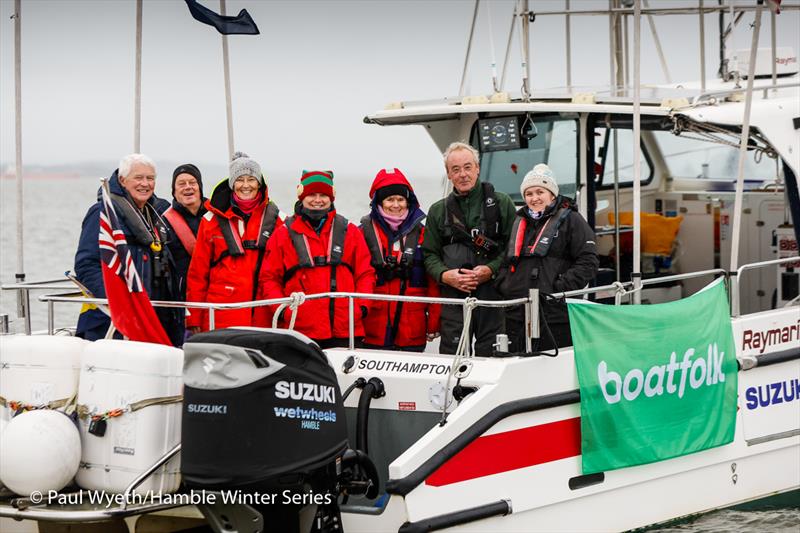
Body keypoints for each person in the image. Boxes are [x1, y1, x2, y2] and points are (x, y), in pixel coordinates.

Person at [74, 153, 183, 345]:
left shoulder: (155, 215)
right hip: (112, 322)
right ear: (123, 181)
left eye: (150, 178)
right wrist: (118, 303)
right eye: (138, 178)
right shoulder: (102, 213)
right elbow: (86, 265)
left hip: (152, 318)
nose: (145, 183)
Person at [258, 170, 374, 348]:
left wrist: (361, 308)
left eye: (323, 195)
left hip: (346, 329)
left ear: (331, 197)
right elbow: (269, 278)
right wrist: (283, 312)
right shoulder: (282, 235)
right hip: (298, 330)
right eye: (312, 194)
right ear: (301, 196)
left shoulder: (350, 232)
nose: (318, 200)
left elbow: (365, 274)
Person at [422, 142, 517, 356]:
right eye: (455, 169)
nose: (463, 174)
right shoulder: (438, 211)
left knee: (492, 358)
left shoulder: (502, 203)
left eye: (467, 167)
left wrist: (490, 270)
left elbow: (513, 248)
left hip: (493, 296)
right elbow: (429, 254)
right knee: (452, 358)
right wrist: (445, 275)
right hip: (454, 298)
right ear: (448, 174)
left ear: (477, 168)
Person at [496, 163, 599, 352]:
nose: (534, 198)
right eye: (529, 193)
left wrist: (558, 288)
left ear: (552, 194)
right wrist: (505, 284)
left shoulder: (572, 220)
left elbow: (588, 262)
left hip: (554, 314)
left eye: (539, 192)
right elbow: (506, 260)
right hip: (516, 312)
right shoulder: (518, 222)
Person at [186, 152, 282, 332]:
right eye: (240, 179)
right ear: (232, 184)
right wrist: (194, 318)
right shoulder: (210, 222)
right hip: (220, 317)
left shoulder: (279, 221)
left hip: (263, 317)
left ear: (259, 183)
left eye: (251, 179)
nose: (246, 185)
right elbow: (198, 274)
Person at [359, 168, 441, 352]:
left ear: (408, 201)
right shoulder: (361, 234)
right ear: (379, 202)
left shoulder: (424, 235)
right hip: (374, 327)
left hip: (413, 328)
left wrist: (434, 322)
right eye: (389, 199)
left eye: (400, 199)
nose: (396, 205)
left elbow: (433, 284)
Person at [163, 163, 207, 302]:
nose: (188, 186)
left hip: (216, 293)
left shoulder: (217, 215)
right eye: (181, 184)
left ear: (200, 188)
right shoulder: (164, 223)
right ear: (174, 192)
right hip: (183, 297)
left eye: (192, 182)